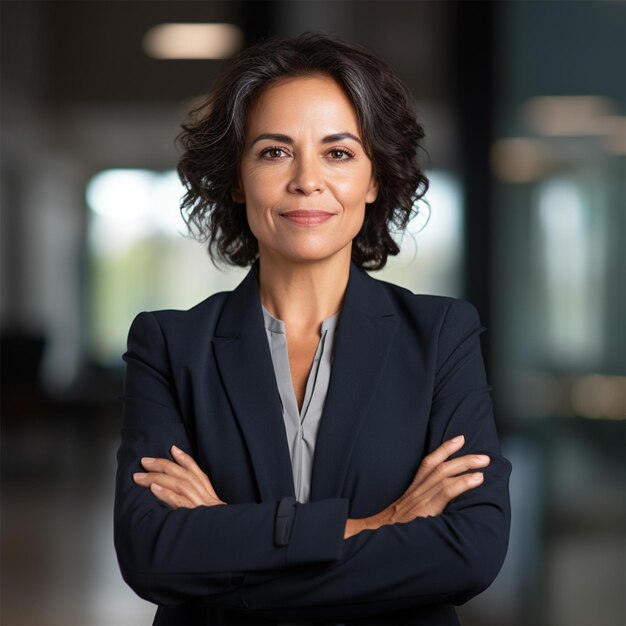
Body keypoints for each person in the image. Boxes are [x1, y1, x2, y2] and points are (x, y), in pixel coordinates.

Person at [114, 32, 511, 626]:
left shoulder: (441, 337)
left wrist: (226, 552)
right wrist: (374, 527)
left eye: (339, 152)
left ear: (374, 180)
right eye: (274, 151)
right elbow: (151, 556)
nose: (306, 180)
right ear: (236, 177)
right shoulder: (170, 347)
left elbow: (468, 554)